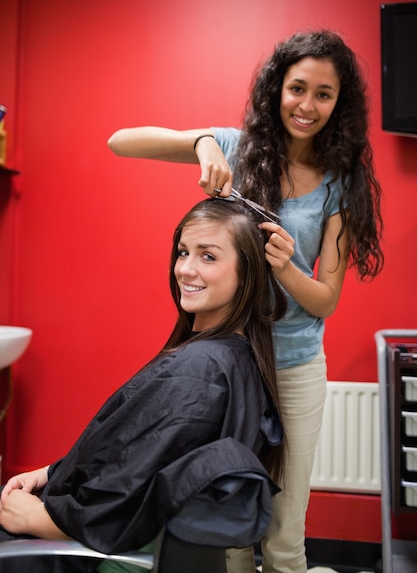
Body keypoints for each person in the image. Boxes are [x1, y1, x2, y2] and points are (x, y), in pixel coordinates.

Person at [107, 29, 384, 573]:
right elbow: (120, 140)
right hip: (229, 365)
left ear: (339, 104)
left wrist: (287, 266)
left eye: (323, 95)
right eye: (297, 88)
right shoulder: (236, 147)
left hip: (296, 370)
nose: (306, 105)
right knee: (228, 523)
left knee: (284, 534)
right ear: (276, 89)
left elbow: (325, 300)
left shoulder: (340, 185)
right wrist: (202, 143)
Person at [0, 198, 286, 573]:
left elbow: (124, 501)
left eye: (208, 257)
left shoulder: (201, 372)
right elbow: (135, 460)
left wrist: (36, 518)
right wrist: (53, 472)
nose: (185, 269)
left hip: (76, 548)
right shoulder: (229, 360)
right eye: (183, 252)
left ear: (247, 273)